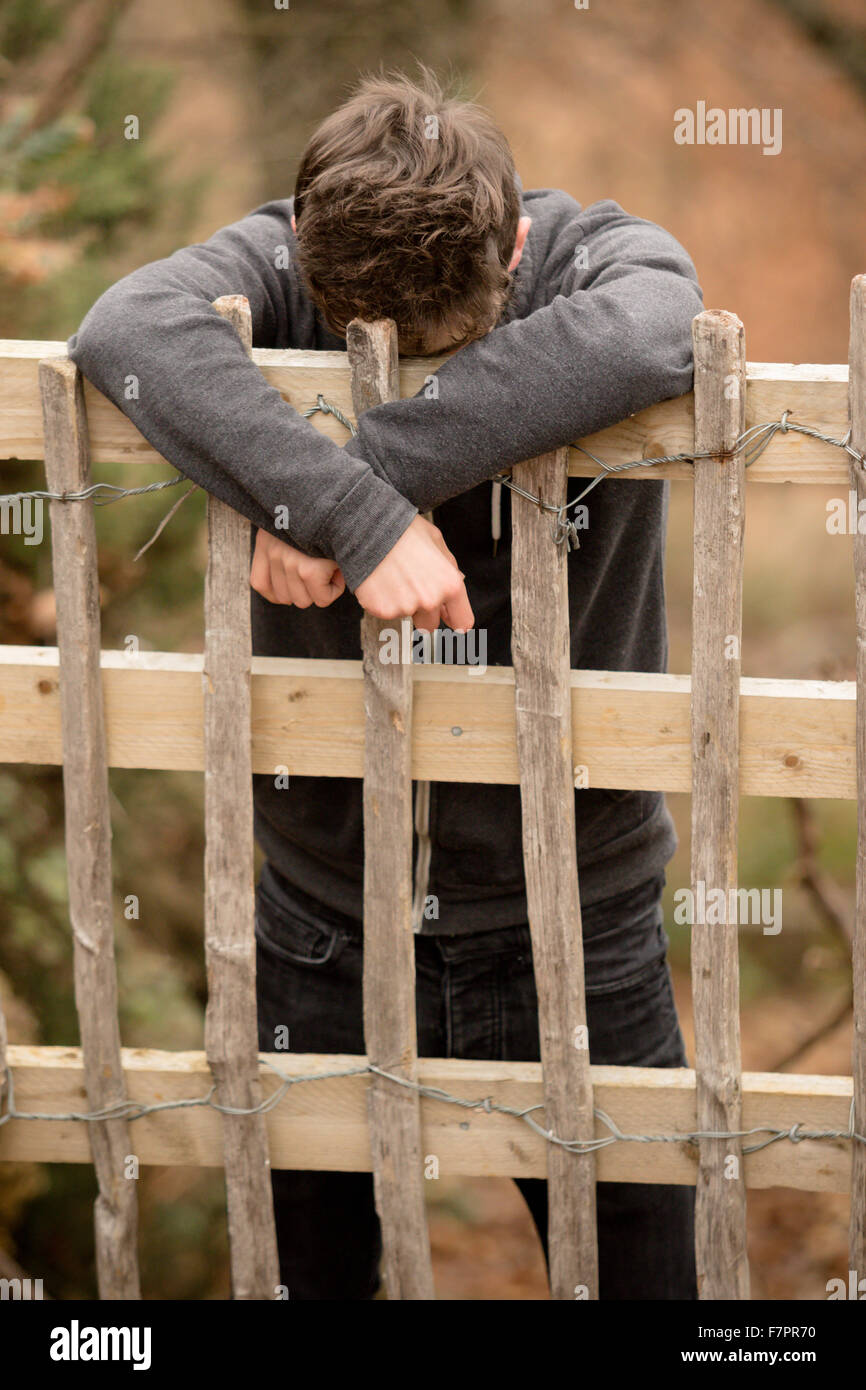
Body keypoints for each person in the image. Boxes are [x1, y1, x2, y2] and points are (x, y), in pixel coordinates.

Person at [68, 67, 702, 1300]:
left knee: (646, 1283)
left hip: (577, 908)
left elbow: (649, 331)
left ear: (515, 246)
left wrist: (344, 486)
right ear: (305, 250)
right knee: (313, 1275)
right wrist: (355, 513)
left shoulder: (590, 259)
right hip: (322, 906)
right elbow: (120, 329)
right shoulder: (283, 258)